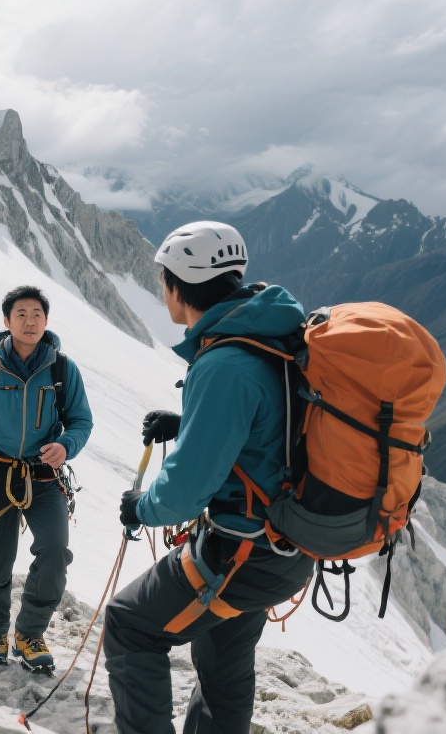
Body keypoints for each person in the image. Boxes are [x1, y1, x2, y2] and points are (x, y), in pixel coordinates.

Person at [102, 221, 315, 734]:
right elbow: (271, 426)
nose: (161, 291)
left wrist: (140, 506)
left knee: (130, 624)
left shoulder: (223, 363)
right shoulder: (269, 338)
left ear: (179, 285)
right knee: (224, 670)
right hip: (285, 547)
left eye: (163, 280)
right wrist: (187, 424)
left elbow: (183, 493)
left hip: (238, 553)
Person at [0, 285, 93, 672]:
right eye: (21, 315)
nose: (30, 322)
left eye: (37, 315)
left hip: (45, 475)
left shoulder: (62, 368)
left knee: (55, 551)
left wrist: (66, 444)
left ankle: (28, 633)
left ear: (46, 321)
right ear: (7, 321)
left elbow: (81, 420)